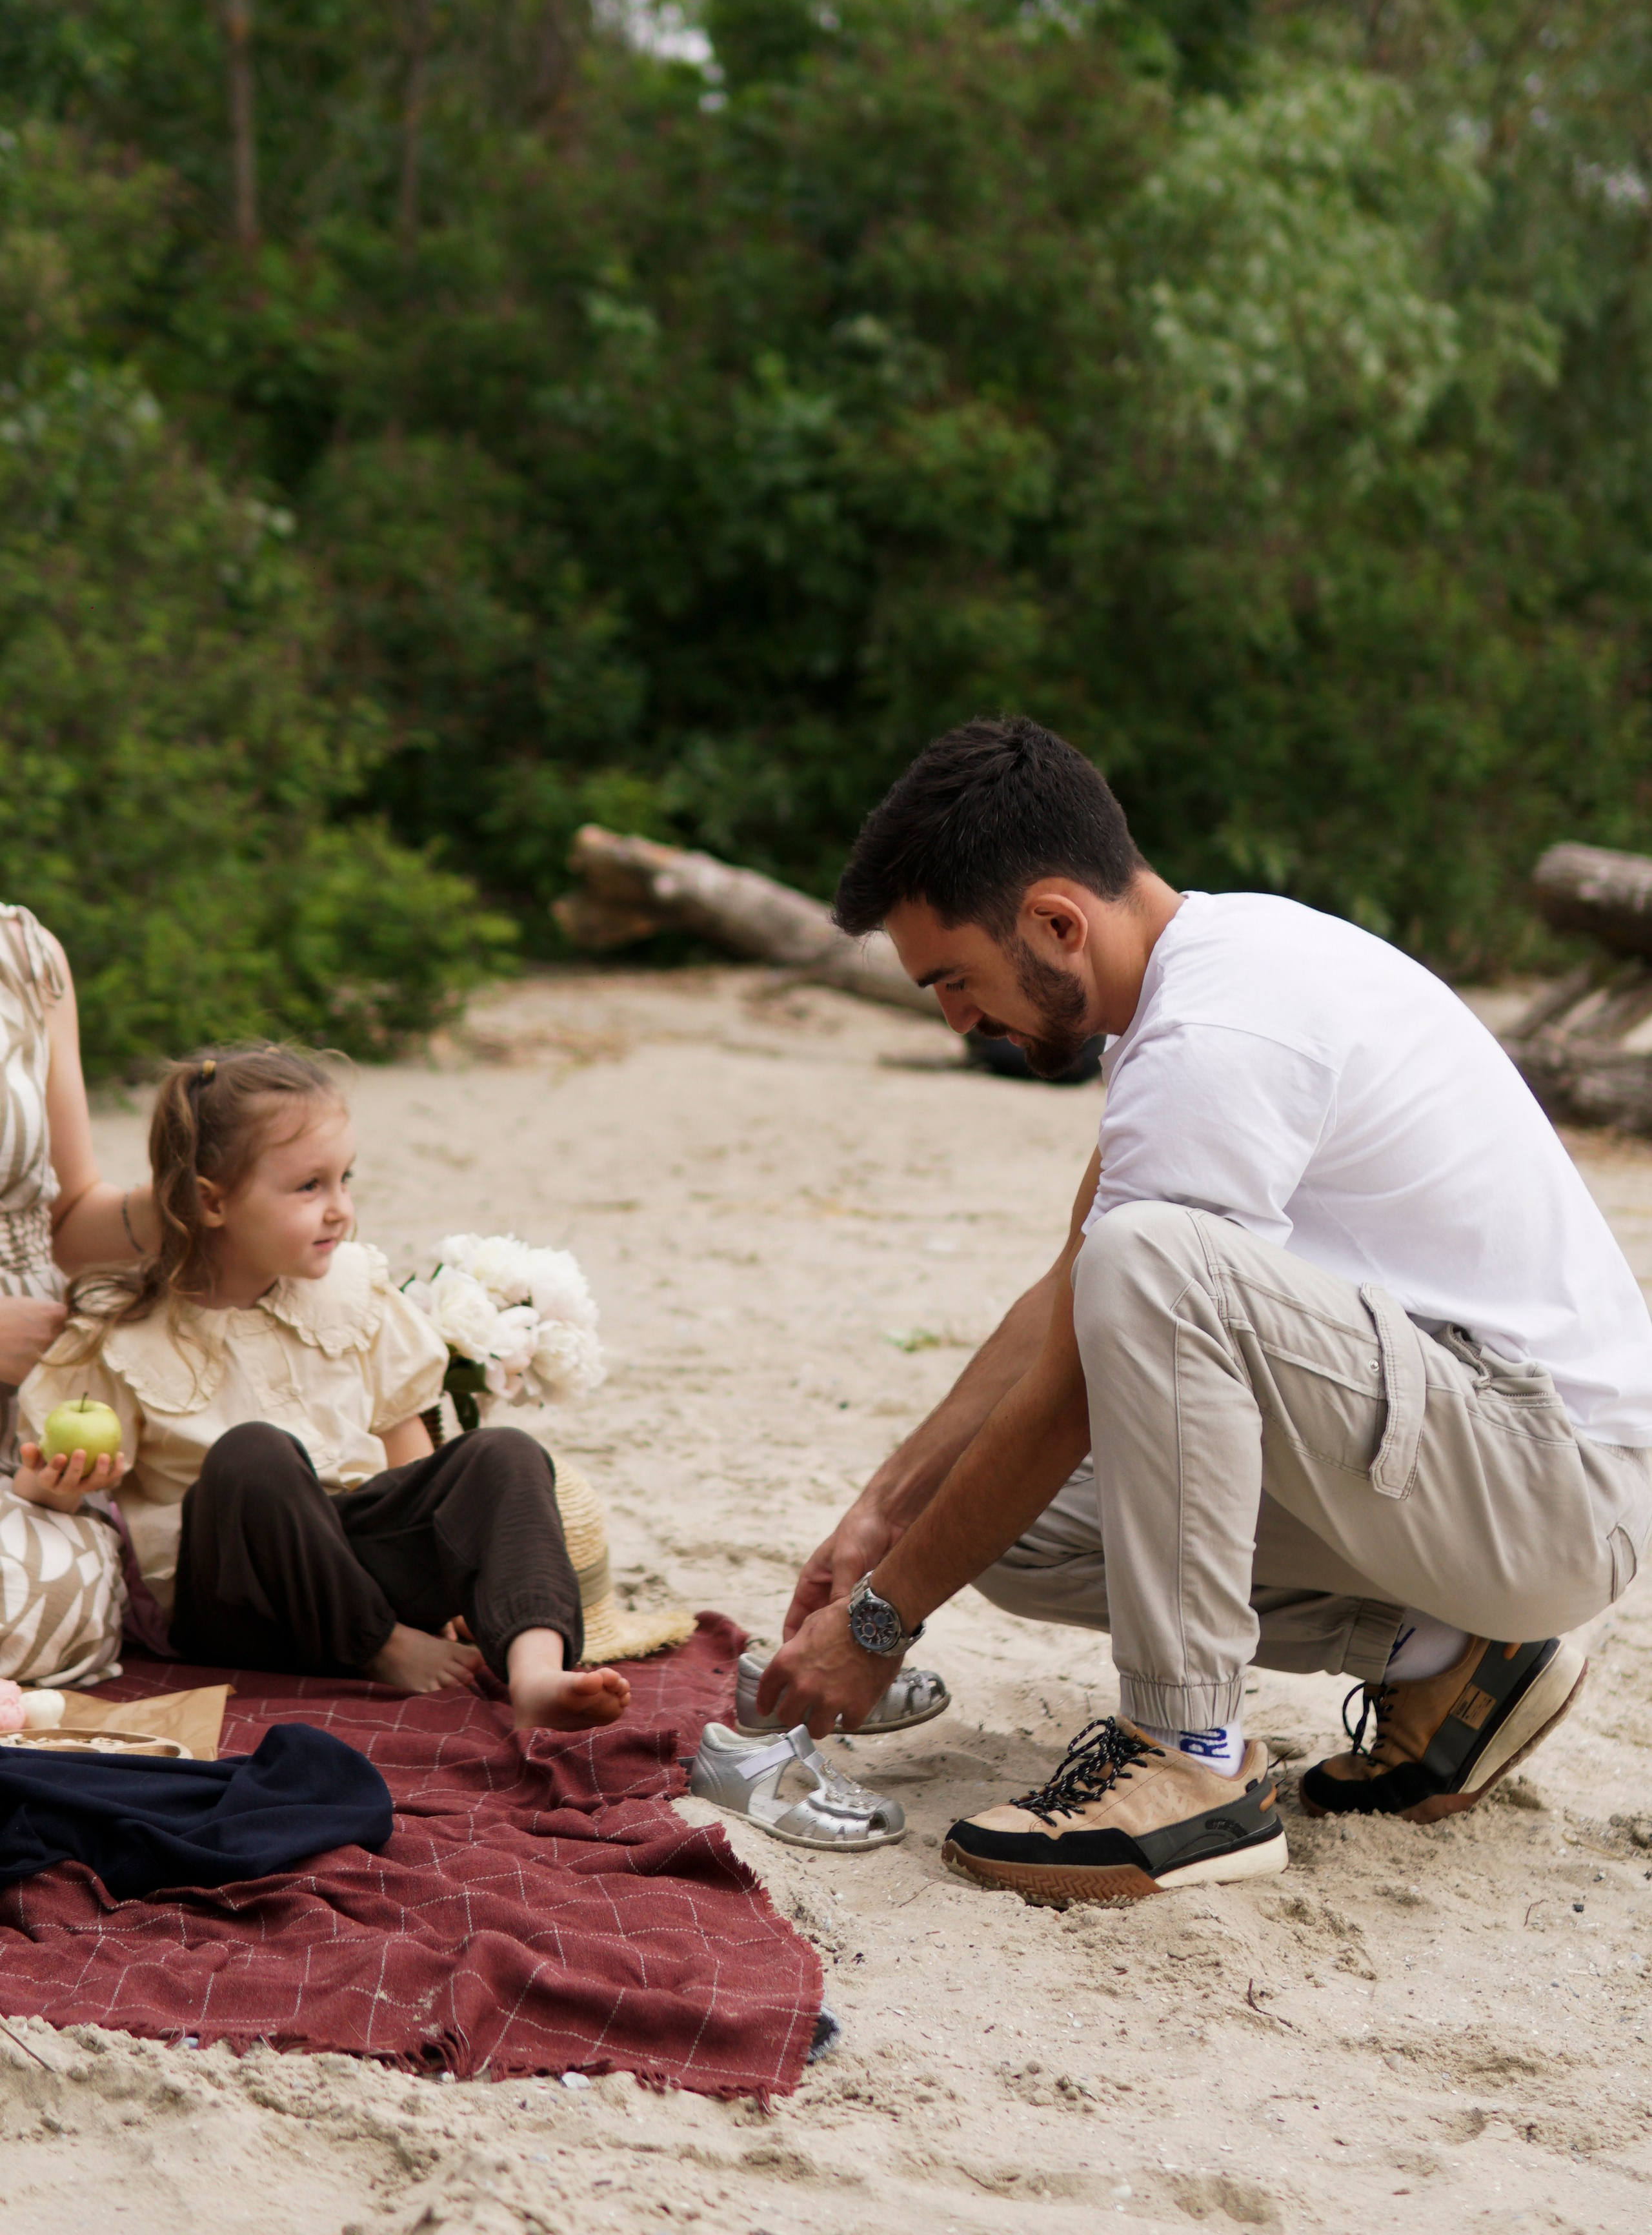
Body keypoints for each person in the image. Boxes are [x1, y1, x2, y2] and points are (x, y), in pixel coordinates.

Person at [756, 718, 1652, 1902]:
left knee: (1147, 1264)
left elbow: (1098, 1342)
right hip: (1471, 1467)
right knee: (1008, 1533)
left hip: (1555, 1486)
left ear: (1057, 923)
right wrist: (883, 1521)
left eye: (954, 980)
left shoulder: (1219, 1030)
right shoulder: (1197, 982)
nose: (956, 1022)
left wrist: (878, 1628)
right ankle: (1455, 1656)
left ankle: (1190, 1761)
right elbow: (1065, 1296)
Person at [19, 1044, 632, 1733]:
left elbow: (408, 1448)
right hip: (237, 1600)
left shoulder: (352, 1293)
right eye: (310, 1187)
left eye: (345, 1180)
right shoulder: (125, 1331)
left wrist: (446, 1546)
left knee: (503, 1453)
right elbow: (63, 1496)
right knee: (253, 1455)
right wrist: (57, 1485)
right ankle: (379, 1646)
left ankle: (537, 1671)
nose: (340, 1208)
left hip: (356, 1562)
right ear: (211, 1202)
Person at [1, 902, 156, 1686]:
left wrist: (195, 1202)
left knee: (63, 1589)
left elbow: (70, 1220)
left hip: (26, 1404)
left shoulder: (26, 958)